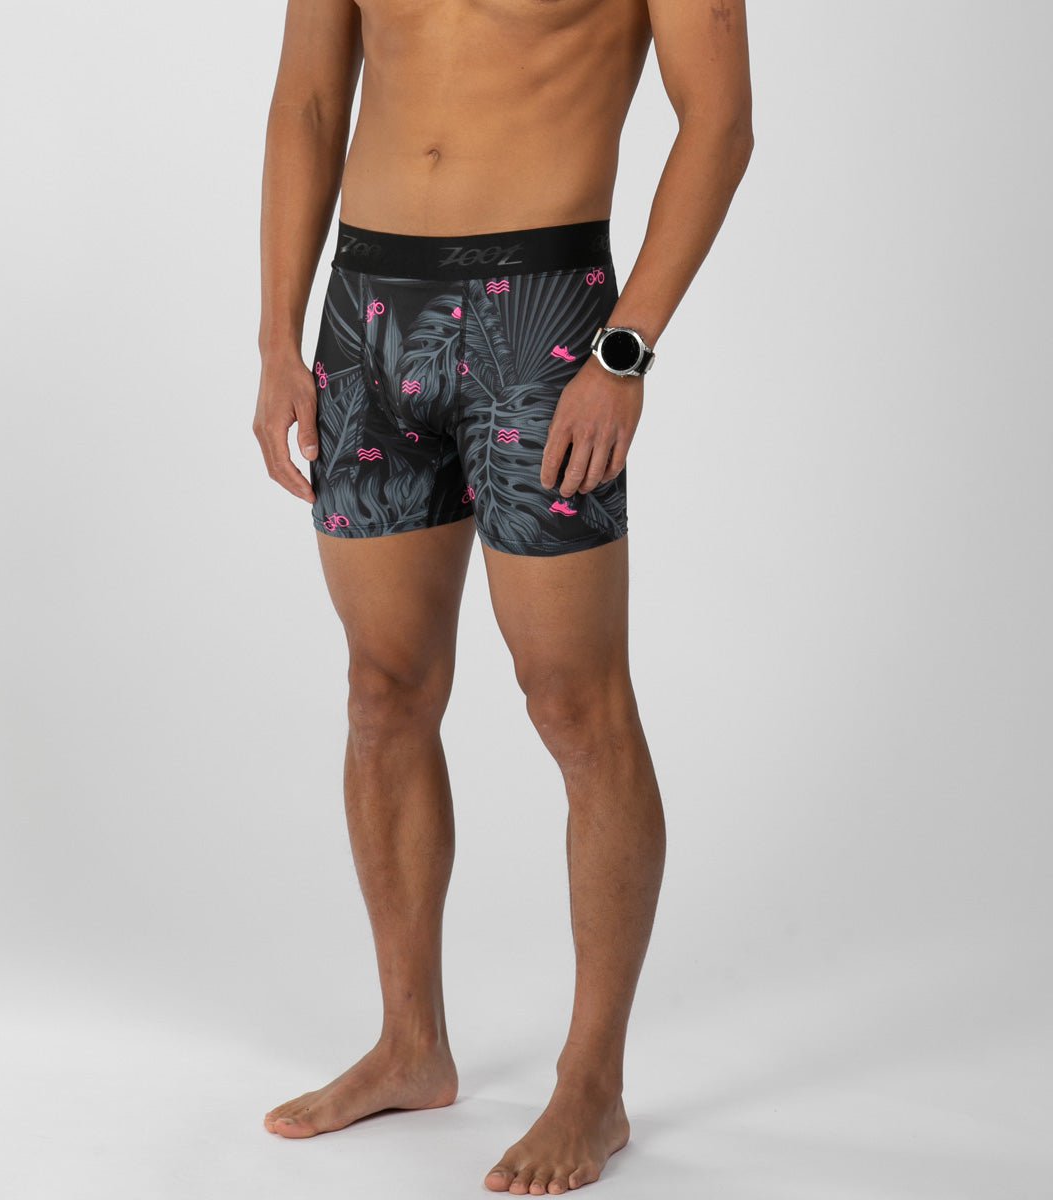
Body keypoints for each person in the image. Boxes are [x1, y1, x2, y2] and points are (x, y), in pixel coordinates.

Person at [253, 0, 752, 1192]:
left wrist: (625, 349)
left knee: (576, 704)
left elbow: (720, 121)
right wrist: (278, 336)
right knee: (383, 692)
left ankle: (593, 1085)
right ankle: (409, 1046)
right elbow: (309, 102)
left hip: (545, 319)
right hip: (368, 314)